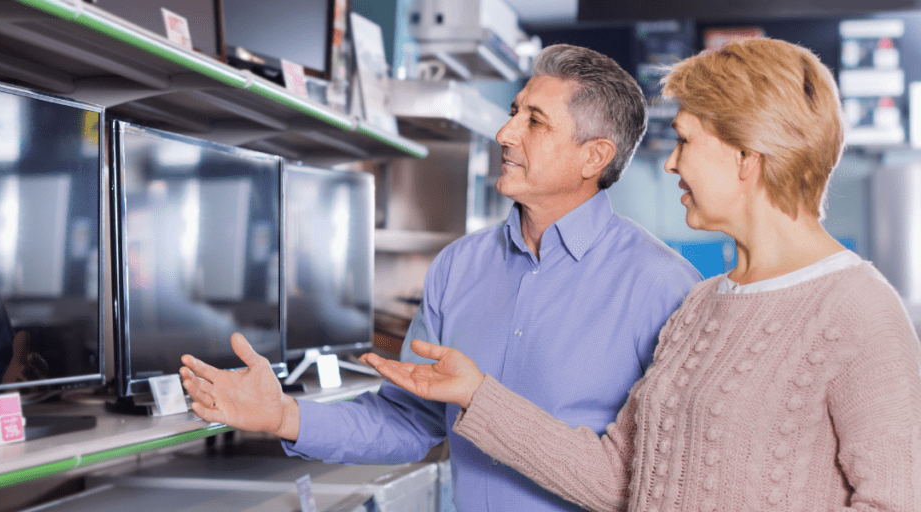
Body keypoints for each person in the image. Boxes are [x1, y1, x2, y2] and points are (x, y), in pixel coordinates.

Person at [360, 37, 921, 511]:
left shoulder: (856, 309)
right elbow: (617, 478)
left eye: (684, 140)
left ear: (747, 156)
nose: (671, 162)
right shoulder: (701, 306)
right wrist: (479, 396)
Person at [180, 44, 701, 512]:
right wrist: (285, 417)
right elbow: (411, 421)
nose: (506, 132)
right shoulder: (459, 267)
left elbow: (663, 483)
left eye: (535, 121)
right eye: (513, 111)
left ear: (594, 156)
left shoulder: (664, 289)